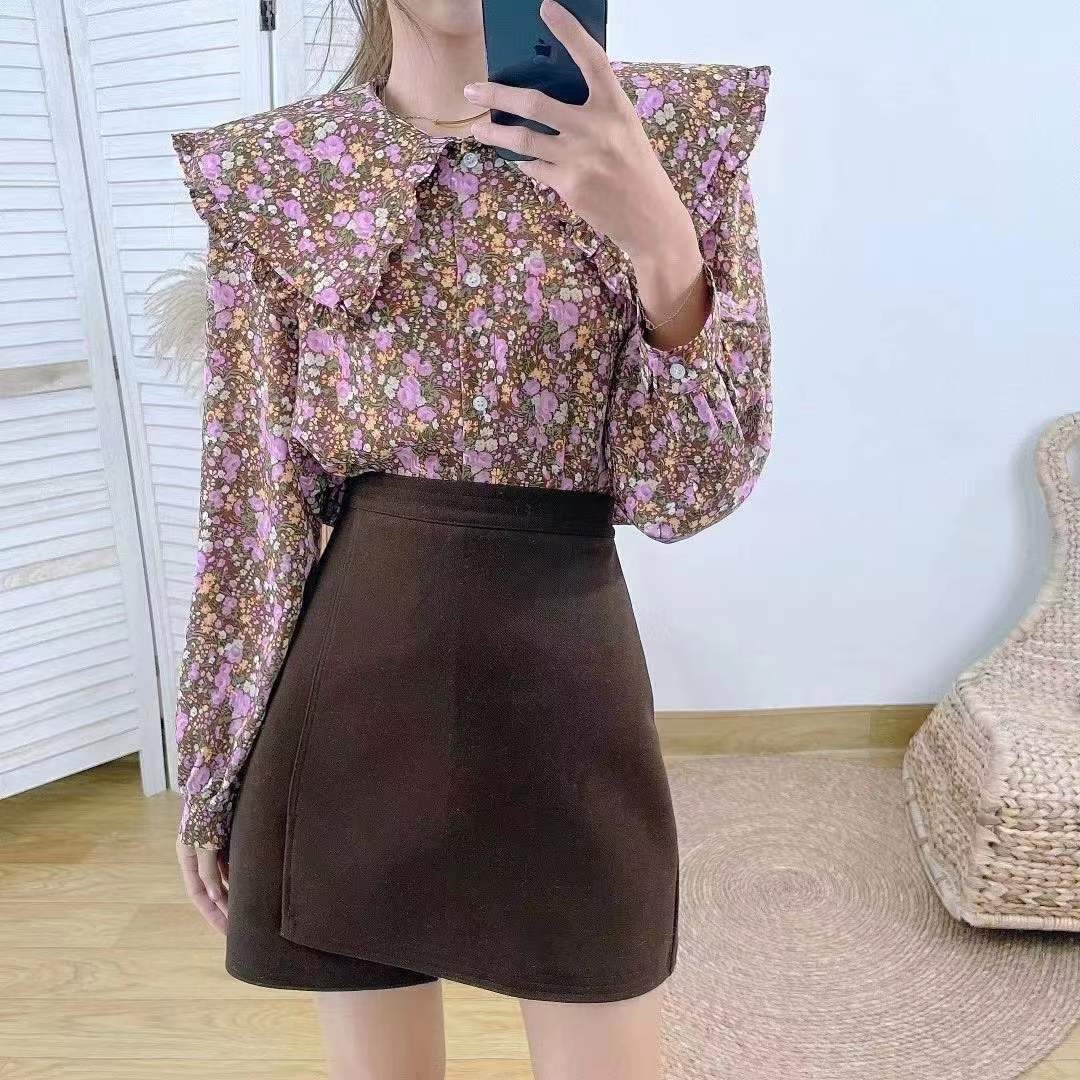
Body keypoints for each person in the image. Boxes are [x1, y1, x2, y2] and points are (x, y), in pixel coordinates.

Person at [167, 0, 772, 1076]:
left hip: (569, 683)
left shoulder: (668, 137)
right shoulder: (288, 175)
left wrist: (661, 242)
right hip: (349, 694)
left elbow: (691, 488)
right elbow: (253, 502)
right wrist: (214, 763)